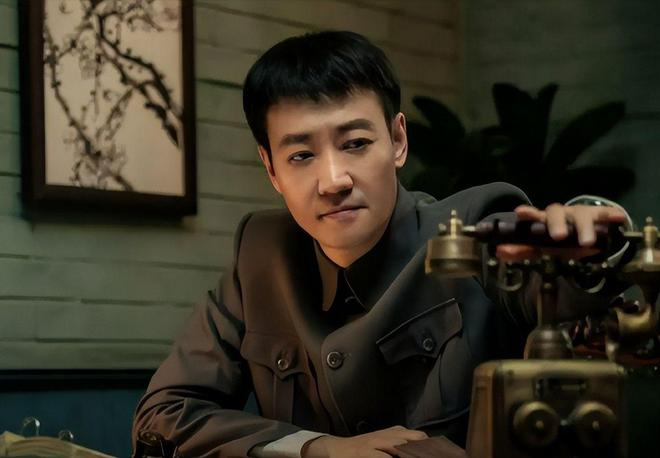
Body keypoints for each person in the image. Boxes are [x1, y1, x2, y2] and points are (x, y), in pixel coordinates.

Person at [132, 31, 628, 458]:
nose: (334, 180)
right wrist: (316, 448)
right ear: (271, 169)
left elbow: (570, 296)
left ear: (397, 140)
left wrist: (594, 250)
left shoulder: (472, 226)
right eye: (301, 155)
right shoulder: (260, 255)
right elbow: (164, 414)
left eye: (355, 144)